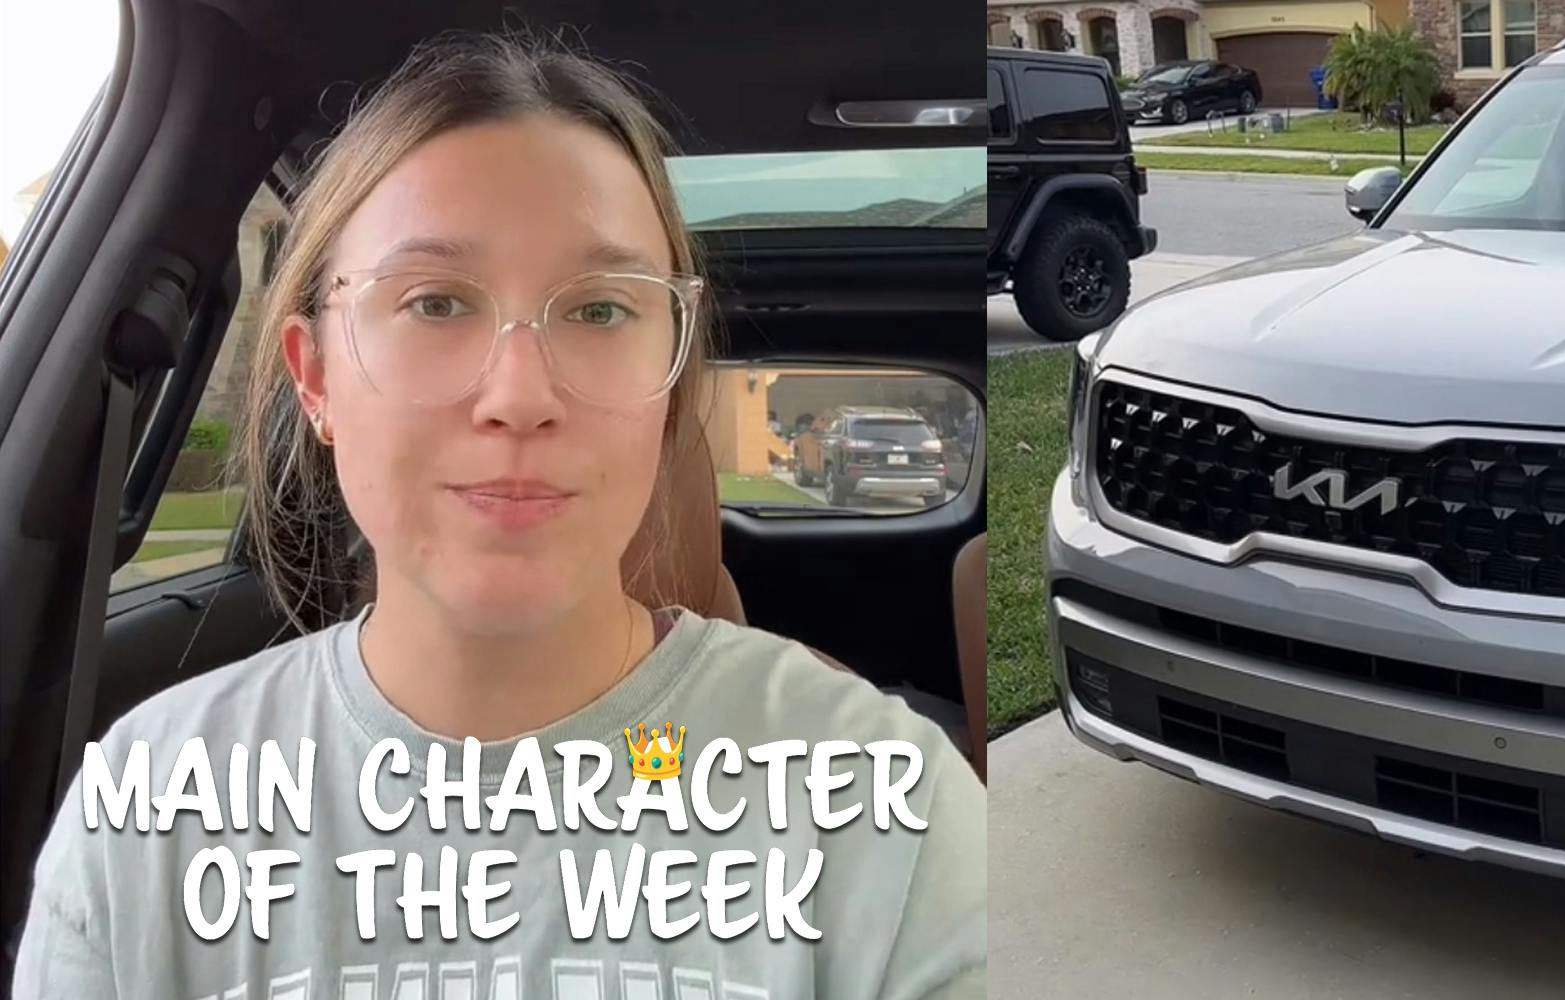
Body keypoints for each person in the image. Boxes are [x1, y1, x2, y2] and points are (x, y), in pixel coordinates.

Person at [13, 32, 983, 1000]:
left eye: (601, 310)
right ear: (315, 380)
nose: (519, 395)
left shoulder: (875, 798)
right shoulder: (146, 814)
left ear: (672, 378)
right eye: (435, 302)